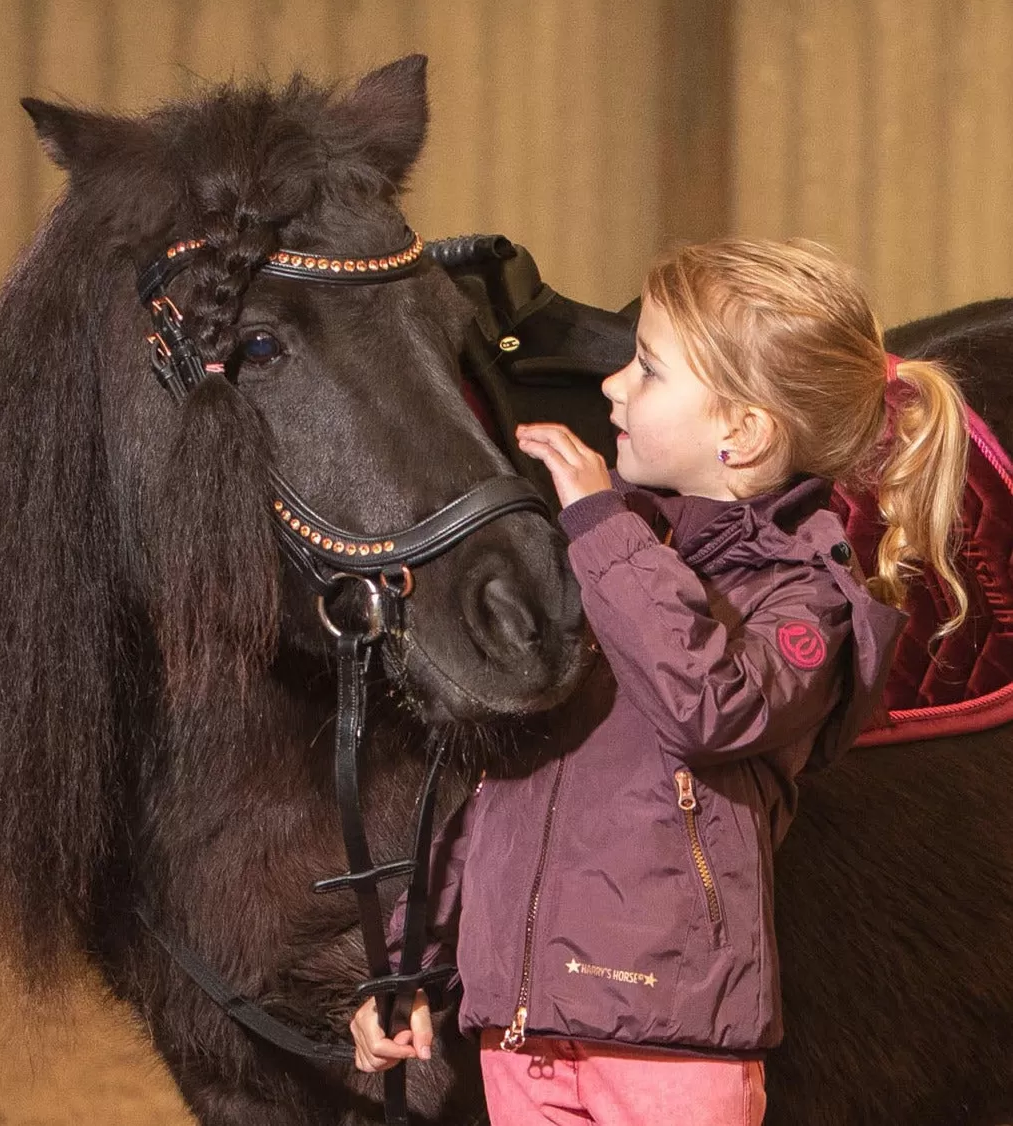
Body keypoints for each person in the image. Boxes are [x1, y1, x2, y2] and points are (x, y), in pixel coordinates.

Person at [350, 238, 969, 1124]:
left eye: (646, 368)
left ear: (743, 432)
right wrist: (410, 960)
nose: (612, 386)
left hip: (670, 1049)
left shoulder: (803, 601)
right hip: (522, 1041)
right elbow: (503, 798)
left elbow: (710, 706)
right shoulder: (610, 560)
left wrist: (602, 528)